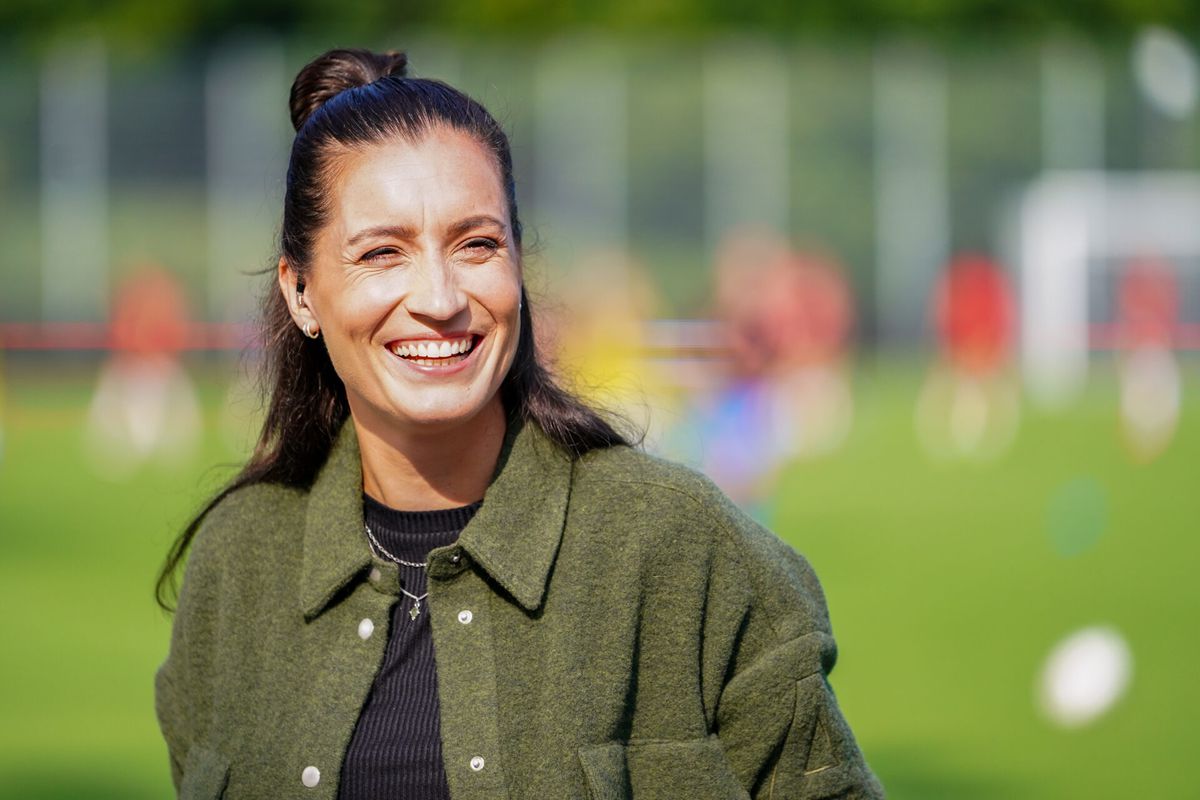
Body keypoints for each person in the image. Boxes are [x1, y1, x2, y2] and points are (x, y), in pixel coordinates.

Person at [154, 47, 884, 800]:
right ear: (301, 291)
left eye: (477, 244)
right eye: (383, 253)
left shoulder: (678, 547)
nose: (439, 297)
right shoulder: (236, 566)